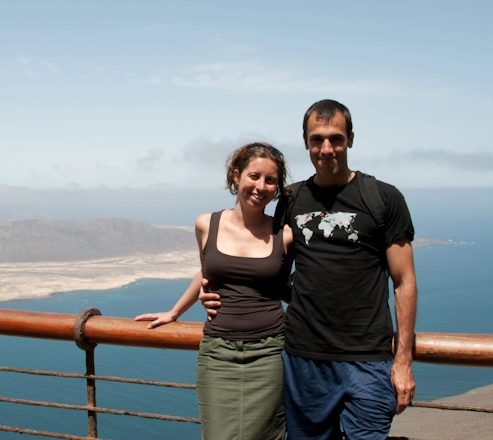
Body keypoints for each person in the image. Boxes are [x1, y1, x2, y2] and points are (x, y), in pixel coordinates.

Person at [201, 100, 417, 440]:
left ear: (351, 139)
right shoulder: (292, 198)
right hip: (304, 359)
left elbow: (404, 283)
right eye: (317, 139)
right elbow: (265, 259)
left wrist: (403, 361)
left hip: (368, 358)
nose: (326, 148)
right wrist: (216, 288)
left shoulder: (383, 198)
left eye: (336, 139)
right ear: (305, 142)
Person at [135, 142, 293, 440]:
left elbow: (281, 287)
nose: (261, 186)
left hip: (270, 351)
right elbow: (207, 273)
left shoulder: (283, 235)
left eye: (270, 180)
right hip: (218, 352)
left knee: (266, 435)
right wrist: (175, 311)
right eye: (254, 176)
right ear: (236, 176)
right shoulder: (207, 224)